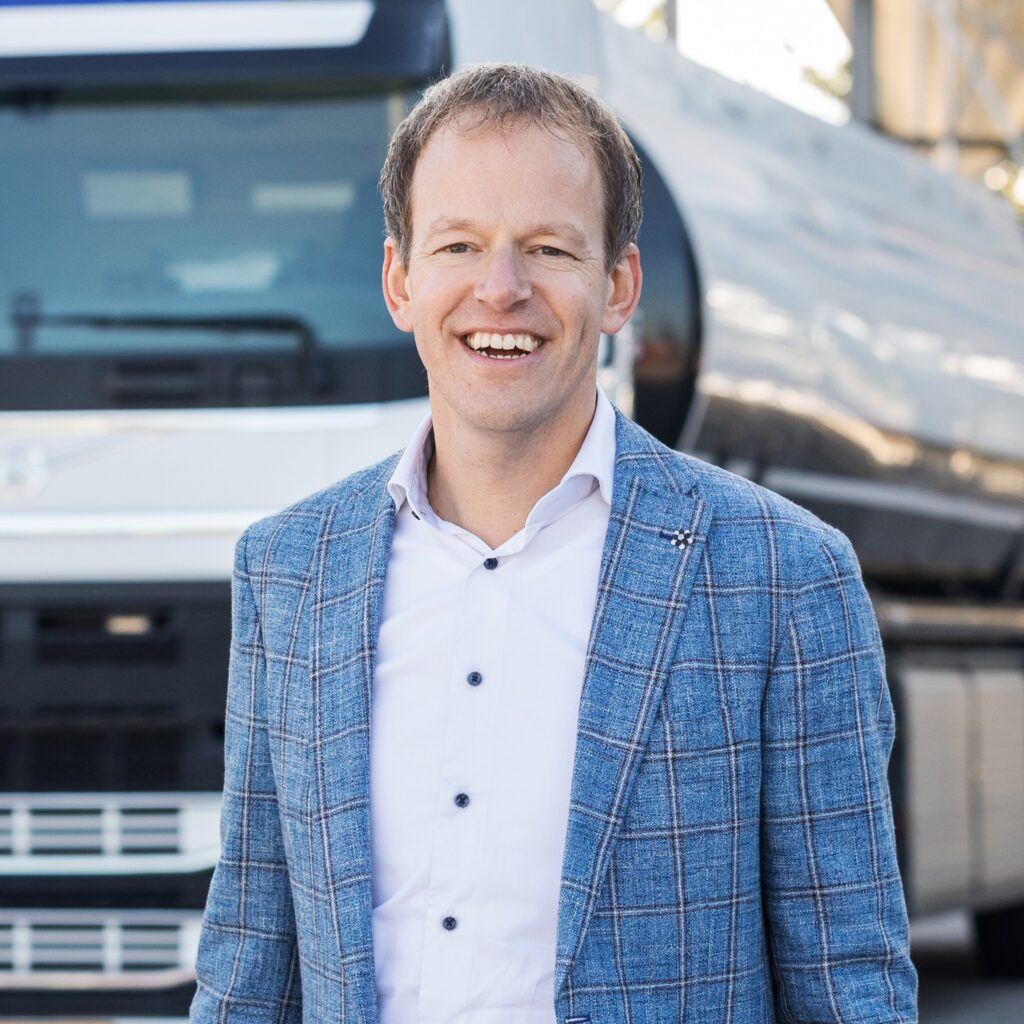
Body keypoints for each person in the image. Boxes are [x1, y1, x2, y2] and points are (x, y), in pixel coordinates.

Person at [190, 63, 917, 1024]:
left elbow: (850, 982)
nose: (501, 289)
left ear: (618, 287)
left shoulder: (783, 578)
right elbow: (249, 968)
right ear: (400, 282)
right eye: (458, 245)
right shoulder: (289, 571)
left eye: (548, 248)